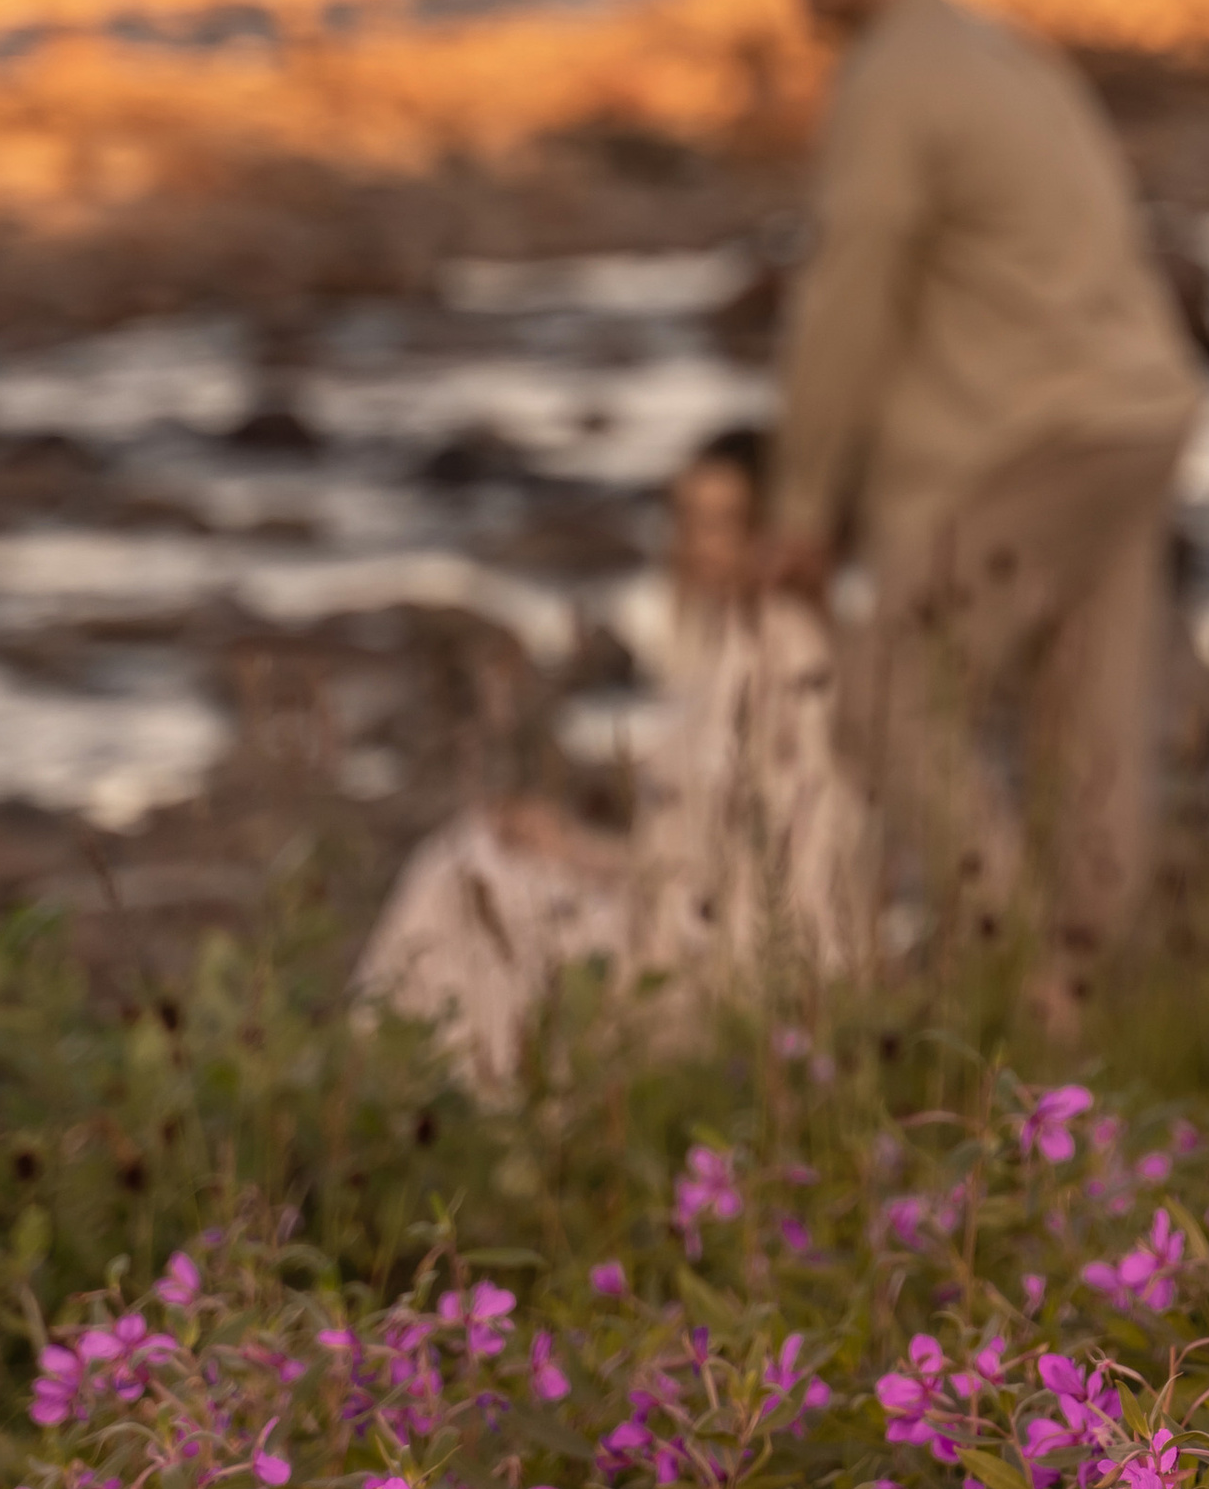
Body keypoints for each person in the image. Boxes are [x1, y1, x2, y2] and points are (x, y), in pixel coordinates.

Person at [767, 0, 1204, 1013]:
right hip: (1137, 412)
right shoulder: (1004, 57)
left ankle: (1020, 978)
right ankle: (1091, 1004)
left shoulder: (892, 78)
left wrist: (806, 504)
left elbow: (847, 295)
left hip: (1041, 432)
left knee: (884, 691)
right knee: (1088, 715)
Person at [350, 428, 861, 1091]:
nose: (698, 547)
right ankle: (415, 1081)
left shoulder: (784, 652)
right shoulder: (730, 642)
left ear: (770, 533)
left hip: (706, 960)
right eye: (687, 520)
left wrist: (585, 858)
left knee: (458, 875)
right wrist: (573, 846)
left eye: (724, 525)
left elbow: (767, 864)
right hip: (676, 920)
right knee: (477, 853)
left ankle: (419, 1086)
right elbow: (694, 850)